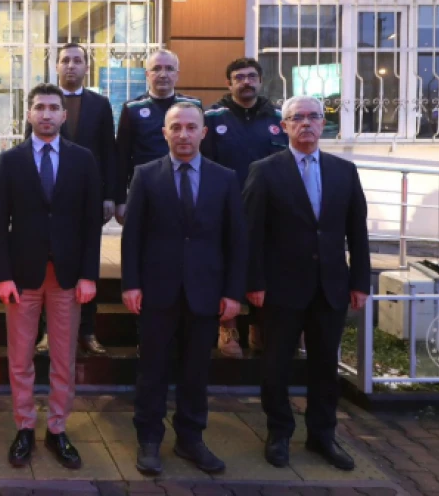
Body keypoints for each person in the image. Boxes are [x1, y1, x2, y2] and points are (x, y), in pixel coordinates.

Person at [244, 95, 371, 472]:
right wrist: (254, 281)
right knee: (276, 365)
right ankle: (279, 433)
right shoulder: (264, 171)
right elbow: (251, 233)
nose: (306, 123)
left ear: (322, 124)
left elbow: (357, 232)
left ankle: (322, 435)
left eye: (313, 117)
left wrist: (360, 281)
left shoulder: (344, 171)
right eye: (297, 118)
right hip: (280, 287)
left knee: (325, 366)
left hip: (330, 286)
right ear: (284, 126)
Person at [121, 102, 248, 476]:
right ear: (164, 133)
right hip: (157, 290)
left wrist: (233, 292)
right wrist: (131, 284)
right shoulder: (145, 175)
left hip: (205, 291)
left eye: (191, 127)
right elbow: (132, 237)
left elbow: (236, 240)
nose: (183, 134)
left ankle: (191, 438)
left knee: (196, 372)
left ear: (203, 133)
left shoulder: (225, 178)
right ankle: (148, 439)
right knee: (152, 370)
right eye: (175, 127)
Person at [0, 83, 102, 471]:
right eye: (39, 107)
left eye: (53, 107)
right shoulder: (10, 160)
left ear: (63, 115)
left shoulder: (83, 159)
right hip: (22, 276)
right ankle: (24, 426)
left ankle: (57, 429)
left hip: (68, 276)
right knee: (20, 357)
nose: (46, 114)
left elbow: (91, 223)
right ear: (29, 114)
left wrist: (89, 274)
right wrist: (2, 274)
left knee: (63, 358)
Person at [24, 43, 114, 357]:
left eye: (77, 60)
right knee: (48, 266)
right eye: (66, 60)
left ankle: (87, 330)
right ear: (57, 66)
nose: (71, 65)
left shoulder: (100, 104)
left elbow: (109, 151)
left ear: (86, 67)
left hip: (86, 199)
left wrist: (110, 195)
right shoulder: (42, 102)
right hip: (47, 199)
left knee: (87, 264)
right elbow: (27, 149)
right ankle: (47, 332)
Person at [202, 57, 288, 358]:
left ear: (260, 81)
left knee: (265, 269)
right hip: (226, 207)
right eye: (239, 77)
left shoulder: (279, 119)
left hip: (270, 211)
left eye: (252, 76)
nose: (246, 82)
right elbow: (205, 165)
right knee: (227, 269)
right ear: (229, 83)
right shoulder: (212, 118)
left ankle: (258, 326)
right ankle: (228, 328)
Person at [115, 49, 202, 222]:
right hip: (145, 188)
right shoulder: (132, 109)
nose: (163, 74)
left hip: (186, 187)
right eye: (156, 69)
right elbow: (122, 157)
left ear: (177, 74)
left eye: (169, 69)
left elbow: (205, 150)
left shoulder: (193, 106)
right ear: (147, 74)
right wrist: (120, 200)